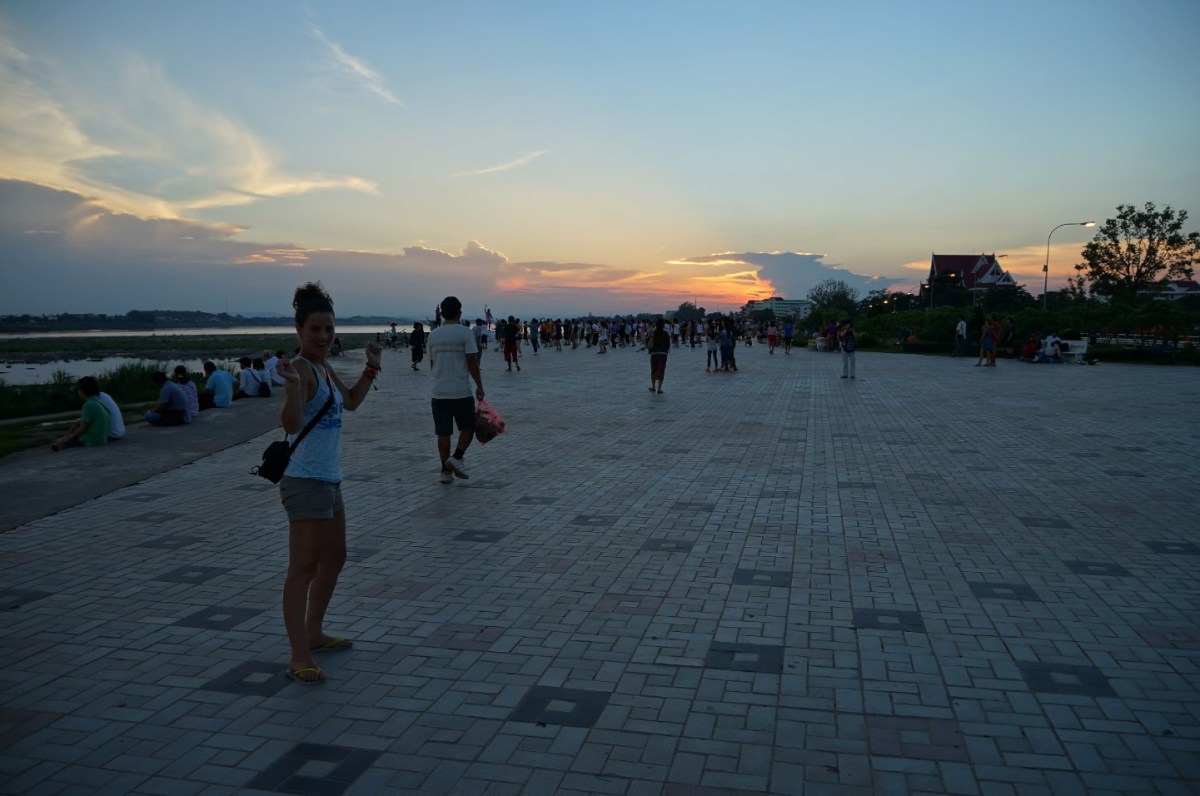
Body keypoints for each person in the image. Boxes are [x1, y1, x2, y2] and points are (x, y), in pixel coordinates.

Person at [275, 281, 382, 685]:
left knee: (335, 559)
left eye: (329, 329)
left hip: (328, 480)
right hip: (305, 481)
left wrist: (371, 365)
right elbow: (290, 423)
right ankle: (298, 654)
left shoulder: (323, 366)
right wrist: (288, 388)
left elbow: (350, 402)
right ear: (299, 330)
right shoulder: (301, 369)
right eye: (315, 330)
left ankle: (315, 632)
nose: (323, 336)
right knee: (302, 569)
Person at [429, 295, 485, 484]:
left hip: (438, 391)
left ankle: (445, 471)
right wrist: (479, 385)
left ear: (442, 314)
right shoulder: (464, 333)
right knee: (468, 427)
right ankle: (457, 457)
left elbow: (431, 363)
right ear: (459, 313)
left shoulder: (433, 335)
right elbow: (471, 361)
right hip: (461, 391)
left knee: (443, 433)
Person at [51, 376, 110, 451]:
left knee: (61, 442)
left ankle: (60, 445)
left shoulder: (88, 405)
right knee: (69, 435)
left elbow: (82, 429)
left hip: (91, 440)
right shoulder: (100, 403)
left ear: (82, 391)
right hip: (102, 439)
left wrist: (69, 437)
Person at [647, 318, 671, 393]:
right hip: (663, 354)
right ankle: (659, 388)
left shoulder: (653, 333)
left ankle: (654, 387)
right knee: (661, 370)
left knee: (653, 370)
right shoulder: (666, 334)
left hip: (654, 354)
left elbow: (648, 343)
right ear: (663, 325)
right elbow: (668, 345)